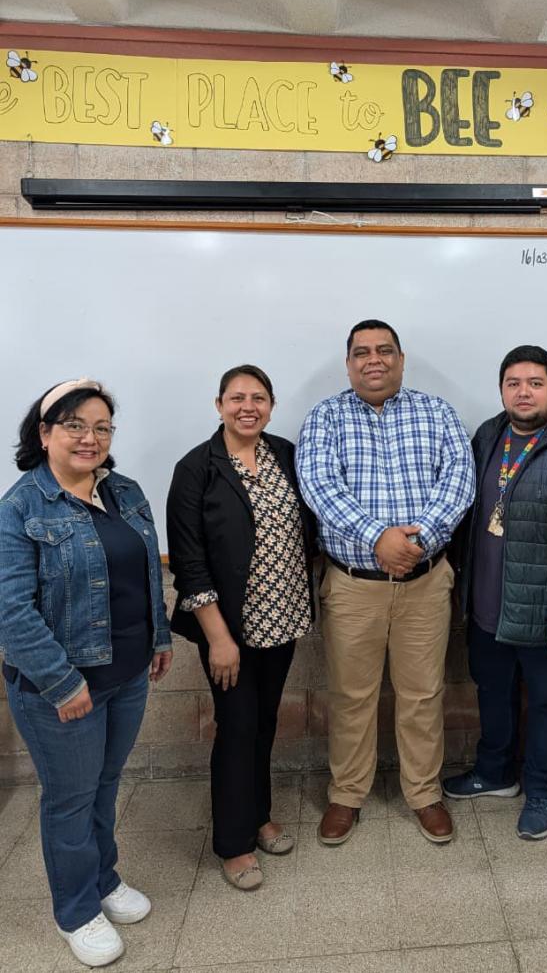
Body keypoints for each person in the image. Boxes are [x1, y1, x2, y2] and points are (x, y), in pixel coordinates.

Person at [0, 379, 172, 969]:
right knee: (70, 800)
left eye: (101, 427)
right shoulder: (21, 507)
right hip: (62, 689)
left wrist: (159, 637)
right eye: (74, 425)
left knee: (104, 785)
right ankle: (75, 910)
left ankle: (103, 878)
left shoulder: (124, 490)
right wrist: (61, 682)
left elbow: (145, 573)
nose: (89, 438)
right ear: (44, 433)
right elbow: (11, 611)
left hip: (127, 673)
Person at [296, 319, 474, 845]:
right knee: (351, 696)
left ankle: (424, 793)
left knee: (423, 694)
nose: (373, 360)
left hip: (425, 581)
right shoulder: (325, 416)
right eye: (362, 352)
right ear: (349, 363)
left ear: (400, 358)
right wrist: (379, 538)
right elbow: (319, 486)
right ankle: (347, 794)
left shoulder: (437, 412)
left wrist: (419, 541)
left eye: (384, 350)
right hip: (353, 585)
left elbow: (458, 480)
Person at [443, 345, 547, 840]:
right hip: (487, 611)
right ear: (501, 390)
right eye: (513, 383)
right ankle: (495, 773)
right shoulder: (487, 435)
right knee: (492, 695)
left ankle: (543, 791)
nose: (523, 392)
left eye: (535, 383)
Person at [166, 365, 314, 890]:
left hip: (283, 618)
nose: (247, 407)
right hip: (228, 629)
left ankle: (258, 815)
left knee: (264, 722)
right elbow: (189, 562)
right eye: (236, 398)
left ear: (271, 406)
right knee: (237, 727)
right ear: (219, 404)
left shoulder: (286, 454)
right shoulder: (196, 468)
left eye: (258, 398)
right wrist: (218, 639)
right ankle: (233, 843)